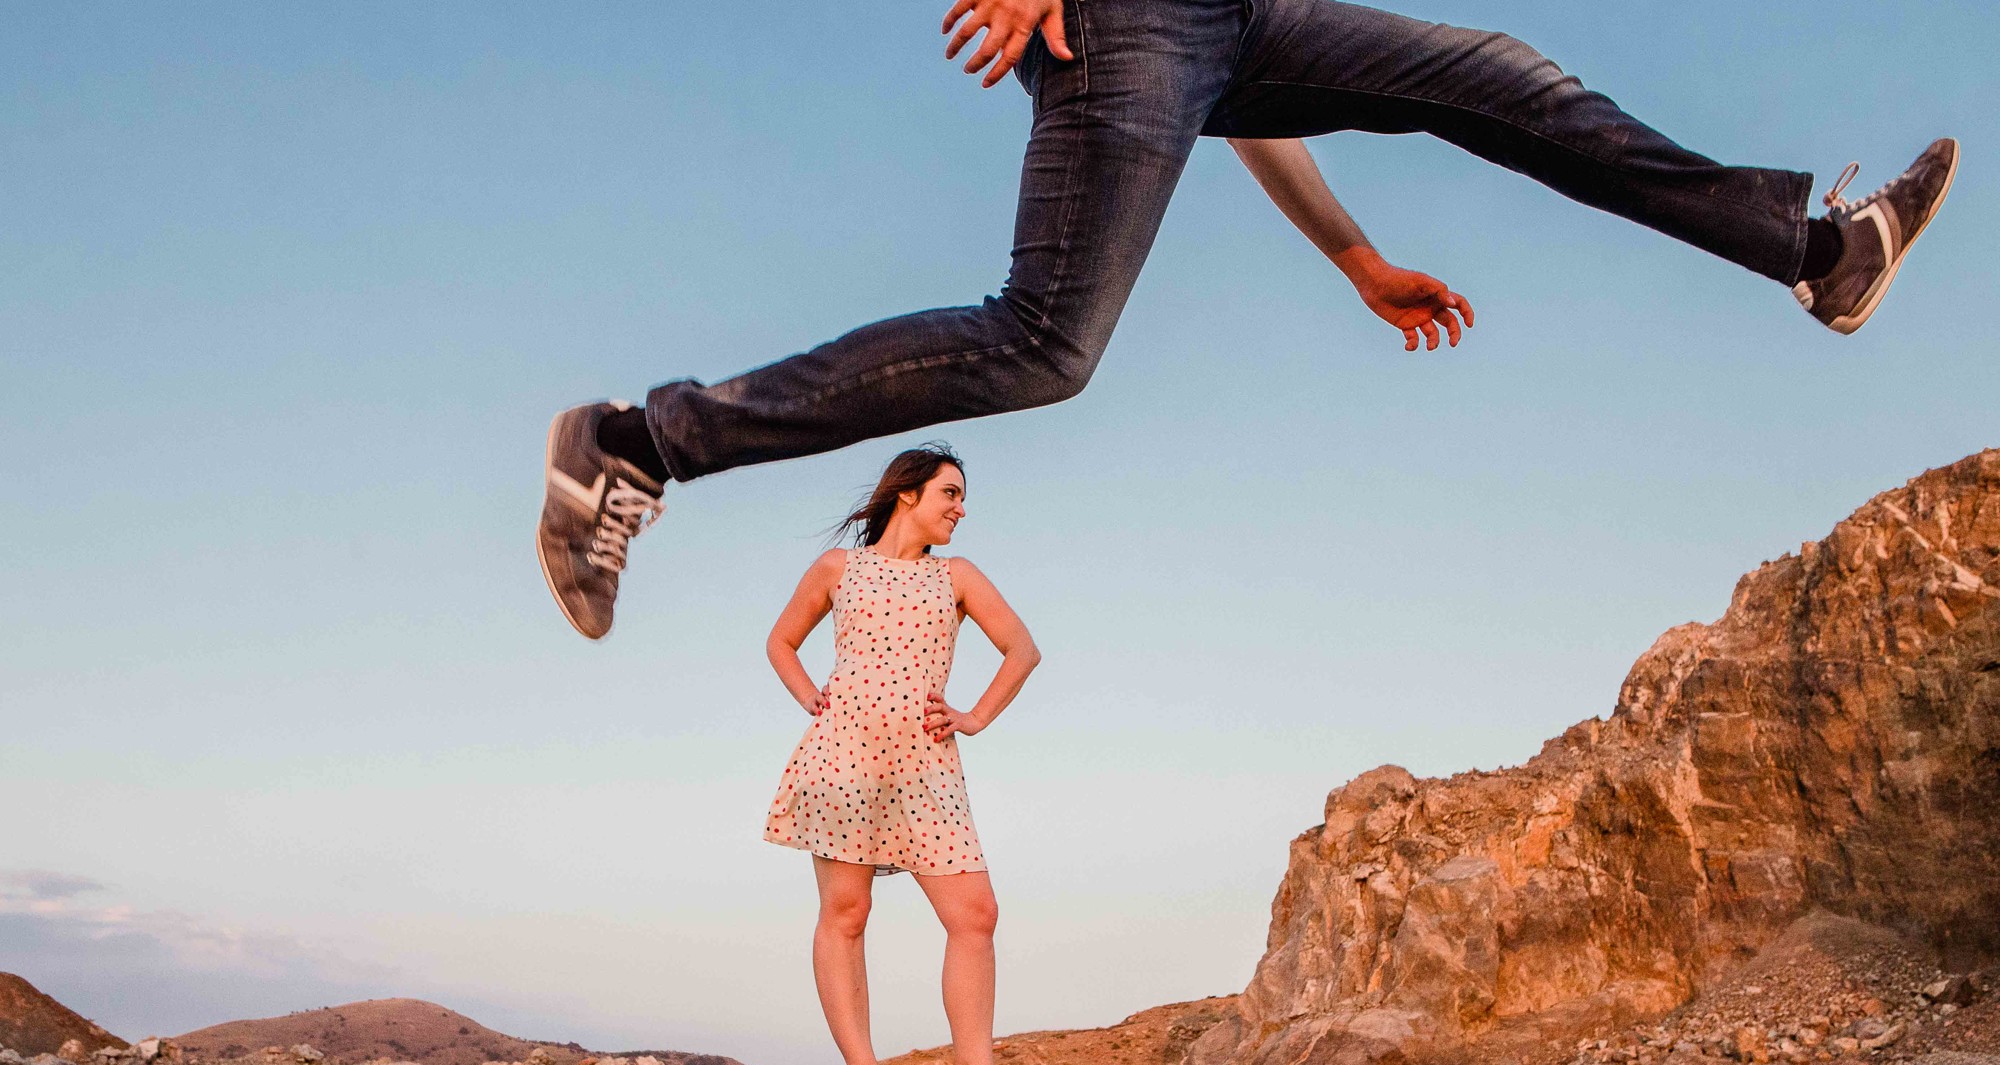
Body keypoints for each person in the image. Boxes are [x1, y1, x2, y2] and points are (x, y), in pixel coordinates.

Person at [536, 0, 1959, 639]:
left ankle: (1815, 252)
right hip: (1116, 17)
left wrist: (1352, 257)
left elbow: (1220, 99)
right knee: (1046, 343)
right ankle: (639, 442)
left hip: (1225, 18)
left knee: (1497, 80)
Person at [763, 445, 1044, 1065]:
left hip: (927, 765)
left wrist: (975, 716)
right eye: (951, 493)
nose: (961, 508)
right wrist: (812, 698)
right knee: (846, 913)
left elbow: (1023, 649)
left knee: (975, 914)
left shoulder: (957, 576)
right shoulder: (839, 569)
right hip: (844, 757)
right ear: (907, 494)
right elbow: (780, 642)